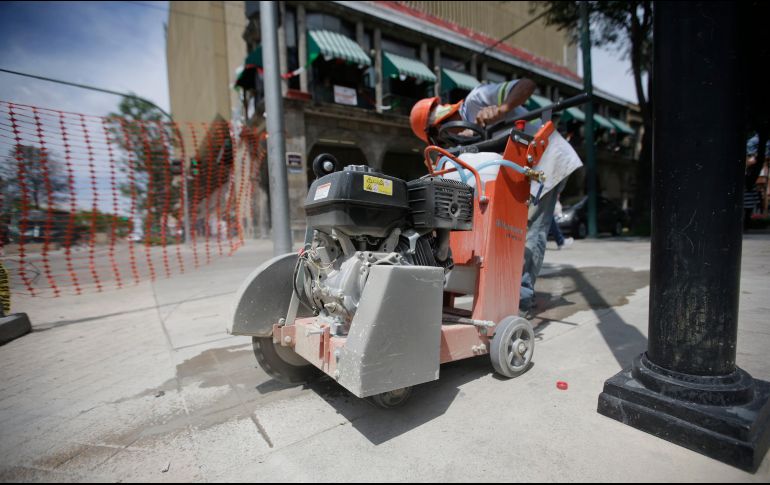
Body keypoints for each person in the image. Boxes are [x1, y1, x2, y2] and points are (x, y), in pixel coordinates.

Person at [409, 79, 583, 315]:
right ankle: (491, 285)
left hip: (547, 158)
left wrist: (501, 109)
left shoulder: (477, 99)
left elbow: (527, 85)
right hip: (520, 166)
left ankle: (521, 297)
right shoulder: (468, 137)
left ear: (441, 122)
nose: (444, 143)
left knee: (530, 228)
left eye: (440, 138)